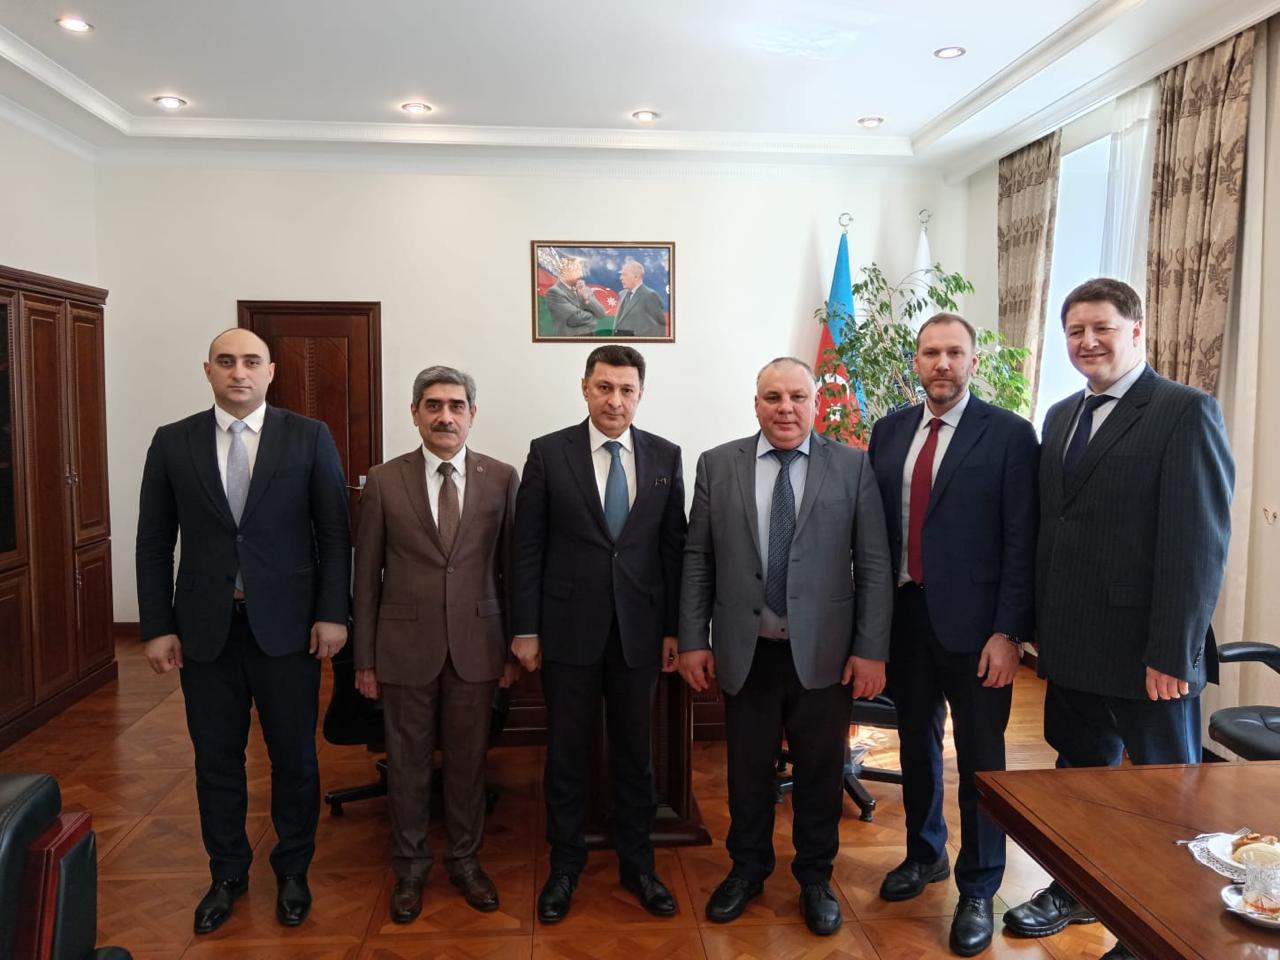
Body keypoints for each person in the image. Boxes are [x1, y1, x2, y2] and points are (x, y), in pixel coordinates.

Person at [1003, 278, 1234, 960]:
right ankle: (1077, 890)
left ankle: (1158, 922)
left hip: (1148, 656)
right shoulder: (1059, 416)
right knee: (1082, 784)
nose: (1087, 342)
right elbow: (1056, 528)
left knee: (1163, 798)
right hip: (1072, 646)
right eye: (1075, 331)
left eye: (1101, 327)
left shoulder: (1184, 411)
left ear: (1136, 330)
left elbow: (1198, 544)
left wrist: (1174, 651)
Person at [135, 328, 350, 934]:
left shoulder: (308, 436)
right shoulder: (173, 441)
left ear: (271, 371)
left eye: (251, 362)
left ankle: (293, 869)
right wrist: (156, 625)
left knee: (294, 758)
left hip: (288, 629)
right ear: (207, 370)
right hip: (205, 630)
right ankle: (227, 873)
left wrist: (333, 612)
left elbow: (335, 533)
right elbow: (154, 539)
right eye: (226, 362)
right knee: (216, 759)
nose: (239, 372)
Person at [678, 357, 893, 937]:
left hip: (825, 654)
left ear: (816, 403)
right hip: (746, 651)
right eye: (773, 397)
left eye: (798, 396)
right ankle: (746, 869)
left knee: (821, 772)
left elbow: (874, 564)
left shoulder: (852, 466)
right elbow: (698, 559)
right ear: (756, 404)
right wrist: (694, 639)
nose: (786, 408)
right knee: (746, 771)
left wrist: (871, 649)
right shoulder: (718, 464)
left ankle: (815, 878)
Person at [866, 314, 1039, 956]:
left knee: (981, 759)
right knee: (915, 744)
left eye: (954, 353)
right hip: (904, 619)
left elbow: (1022, 540)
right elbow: (874, 533)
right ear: (916, 361)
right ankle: (924, 852)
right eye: (931, 352)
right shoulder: (888, 431)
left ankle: (979, 885)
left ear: (973, 362)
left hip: (979, 630)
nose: (942, 363)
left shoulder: (1010, 434)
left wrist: (1009, 632)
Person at [511, 344, 686, 923]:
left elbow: (673, 549)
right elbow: (527, 547)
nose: (615, 400)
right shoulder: (548, 453)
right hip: (567, 632)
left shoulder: (665, 456)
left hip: (639, 634)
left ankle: (639, 866)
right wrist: (526, 628)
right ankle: (565, 866)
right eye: (604, 387)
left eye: (626, 390)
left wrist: (674, 630)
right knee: (567, 753)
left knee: (637, 756)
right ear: (585, 388)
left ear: (641, 394)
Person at [353, 365, 520, 924]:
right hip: (403, 647)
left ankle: (466, 861)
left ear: (472, 414)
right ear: (415, 413)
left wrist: (511, 648)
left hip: (478, 644)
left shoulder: (502, 477)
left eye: (455, 405)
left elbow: (511, 569)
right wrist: (365, 659)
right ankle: (410, 867)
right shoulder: (383, 480)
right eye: (433, 405)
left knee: (469, 764)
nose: (445, 416)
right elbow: (365, 575)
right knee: (406, 764)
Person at [544, 256, 606, 336]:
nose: (580, 274)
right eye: (577, 270)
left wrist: (587, 299)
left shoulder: (585, 290)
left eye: (580, 270)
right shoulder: (554, 292)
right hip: (569, 341)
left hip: (590, 339)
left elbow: (601, 314)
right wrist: (593, 318)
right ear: (566, 271)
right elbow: (573, 319)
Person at [613, 259, 667, 338]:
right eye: (621, 275)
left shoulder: (650, 295)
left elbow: (659, 326)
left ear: (636, 277)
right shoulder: (622, 294)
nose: (621, 278)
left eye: (624, 275)